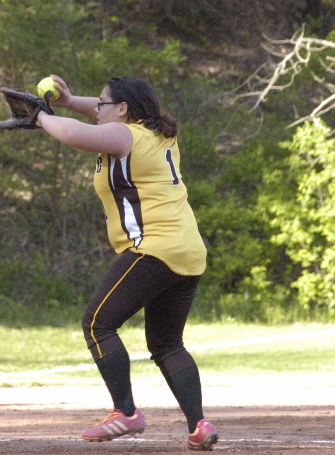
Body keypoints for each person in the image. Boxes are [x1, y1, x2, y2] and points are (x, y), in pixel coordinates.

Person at [35, 75, 218, 451]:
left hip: (156, 247)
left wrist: (40, 117)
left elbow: (71, 135)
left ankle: (126, 411)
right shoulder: (155, 133)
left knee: (98, 323)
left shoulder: (124, 136)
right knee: (167, 343)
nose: (96, 108)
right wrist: (68, 101)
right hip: (187, 249)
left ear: (124, 109)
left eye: (103, 104)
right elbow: (92, 116)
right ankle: (199, 424)